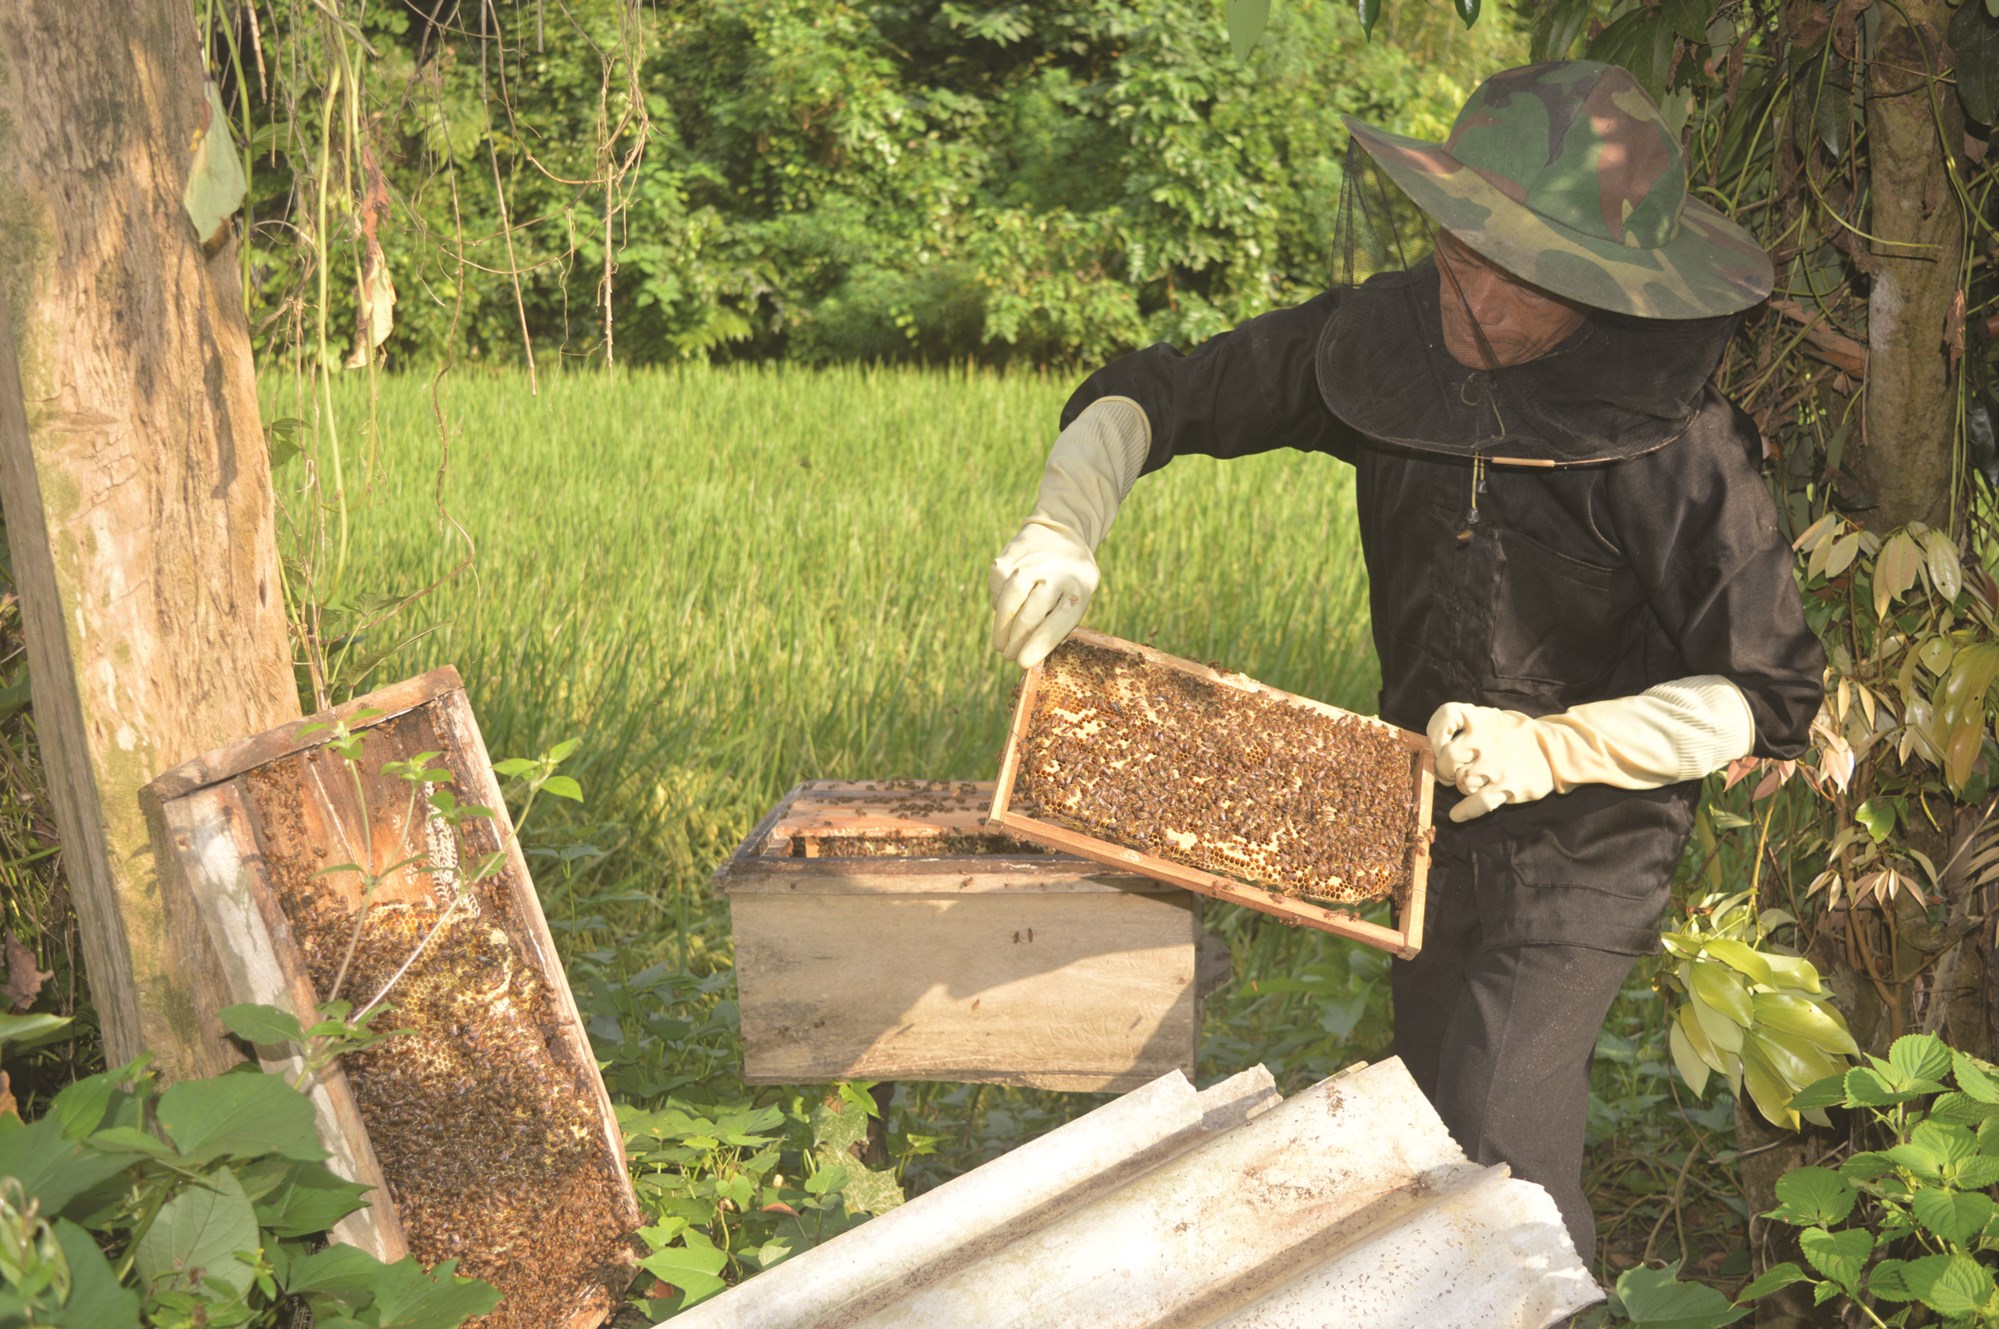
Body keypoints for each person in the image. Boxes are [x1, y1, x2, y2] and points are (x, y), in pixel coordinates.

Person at [985, 60, 1825, 1257]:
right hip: (1421, 820)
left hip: (1584, 843)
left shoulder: (1677, 440)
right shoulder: (1379, 341)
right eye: (1456, 246)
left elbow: (1769, 691)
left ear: (1599, 291)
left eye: (1511, 270)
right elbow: (1160, 394)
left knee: (1500, 1163)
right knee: (1432, 1144)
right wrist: (1062, 524)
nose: (1463, 288)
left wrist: (1553, 745)